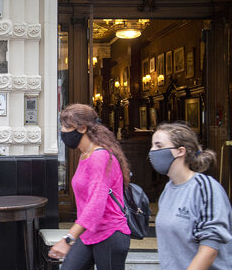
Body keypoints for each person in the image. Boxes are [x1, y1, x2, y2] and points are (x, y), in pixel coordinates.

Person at [49, 103, 131, 270]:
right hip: (89, 233)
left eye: (66, 126)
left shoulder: (99, 157)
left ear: (82, 128)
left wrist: (68, 239)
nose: (63, 131)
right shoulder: (85, 155)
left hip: (109, 233)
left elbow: (96, 204)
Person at [149, 122, 232, 270]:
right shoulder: (169, 188)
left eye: (159, 146)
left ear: (180, 151)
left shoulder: (205, 187)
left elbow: (210, 247)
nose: (152, 151)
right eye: (153, 145)